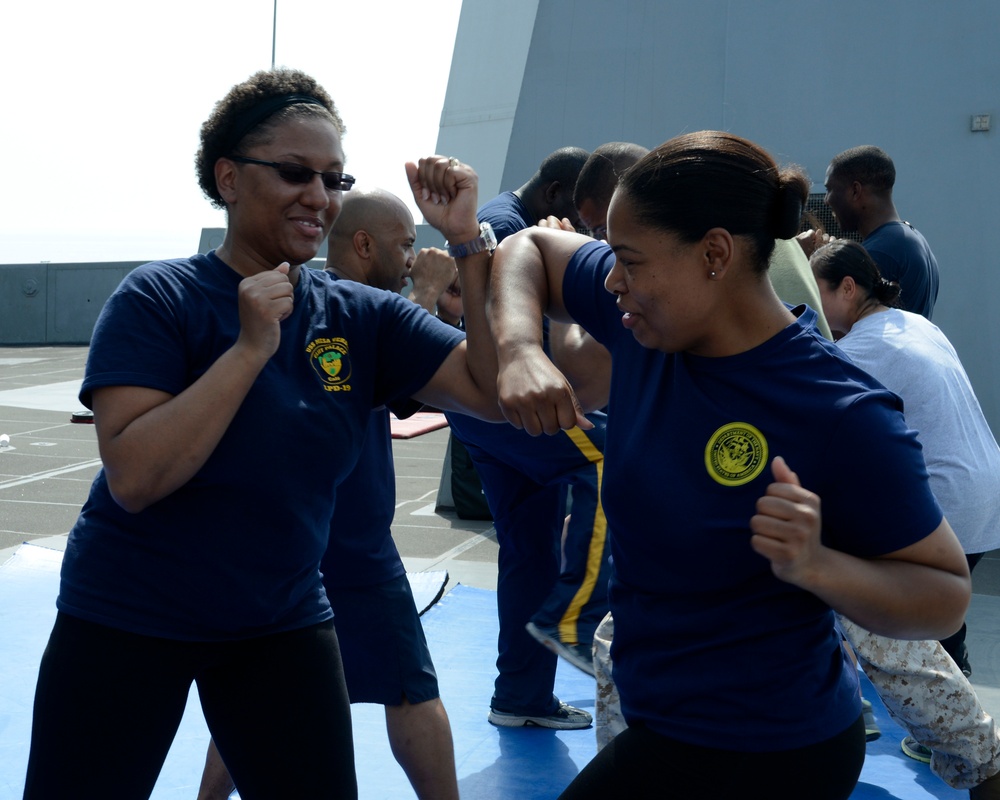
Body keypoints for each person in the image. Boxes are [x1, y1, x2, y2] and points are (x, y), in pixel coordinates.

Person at [20, 68, 504, 800]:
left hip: (276, 619)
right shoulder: (159, 298)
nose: (320, 196)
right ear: (229, 178)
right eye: (294, 173)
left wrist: (469, 244)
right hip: (126, 614)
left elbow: (491, 393)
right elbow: (137, 476)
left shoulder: (358, 315)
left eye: (334, 179)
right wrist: (249, 349)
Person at [484, 130, 970, 799]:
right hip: (664, 717)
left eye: (628, 258)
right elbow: (527, 248)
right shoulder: (649, 329)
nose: (612, 280)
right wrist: (518, 346)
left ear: (714, 253)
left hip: (768, 750)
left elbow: (945, 596)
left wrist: (818, 566)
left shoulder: (837, 410)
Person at [196, 189, 462, 800]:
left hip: (298, 539)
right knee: (410, 687)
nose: (411, 256)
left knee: (256, 691)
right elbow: (389, 386)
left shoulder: (313, 304)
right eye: (403, 245)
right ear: (364, 245)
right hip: (350, 541)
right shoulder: (342, 312)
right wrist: (426, 296)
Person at [810, 239, 1000, 796]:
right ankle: (956, 734)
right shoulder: (912, 323)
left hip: (945, 499)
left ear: (848, 288)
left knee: (887, 623)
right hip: (983, 486)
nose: (812, 313)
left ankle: (956, 739)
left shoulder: (864, 349)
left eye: (816, 295)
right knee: (940, 630)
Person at [444, 147, 612, 730]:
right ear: (557, 195)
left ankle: (521, 696)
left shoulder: (507, 219)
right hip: (512, 405)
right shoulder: (513, 228)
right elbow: (508, 322)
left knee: (528, 550)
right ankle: (578, 617)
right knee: (614, 463)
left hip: (487, 416)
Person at [820, 145, 940, 318]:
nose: (826, 201)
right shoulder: (910, 239)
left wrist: (813, 265)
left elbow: (837, 328)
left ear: (855, 191)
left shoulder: (880, 251)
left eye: (829, 189)